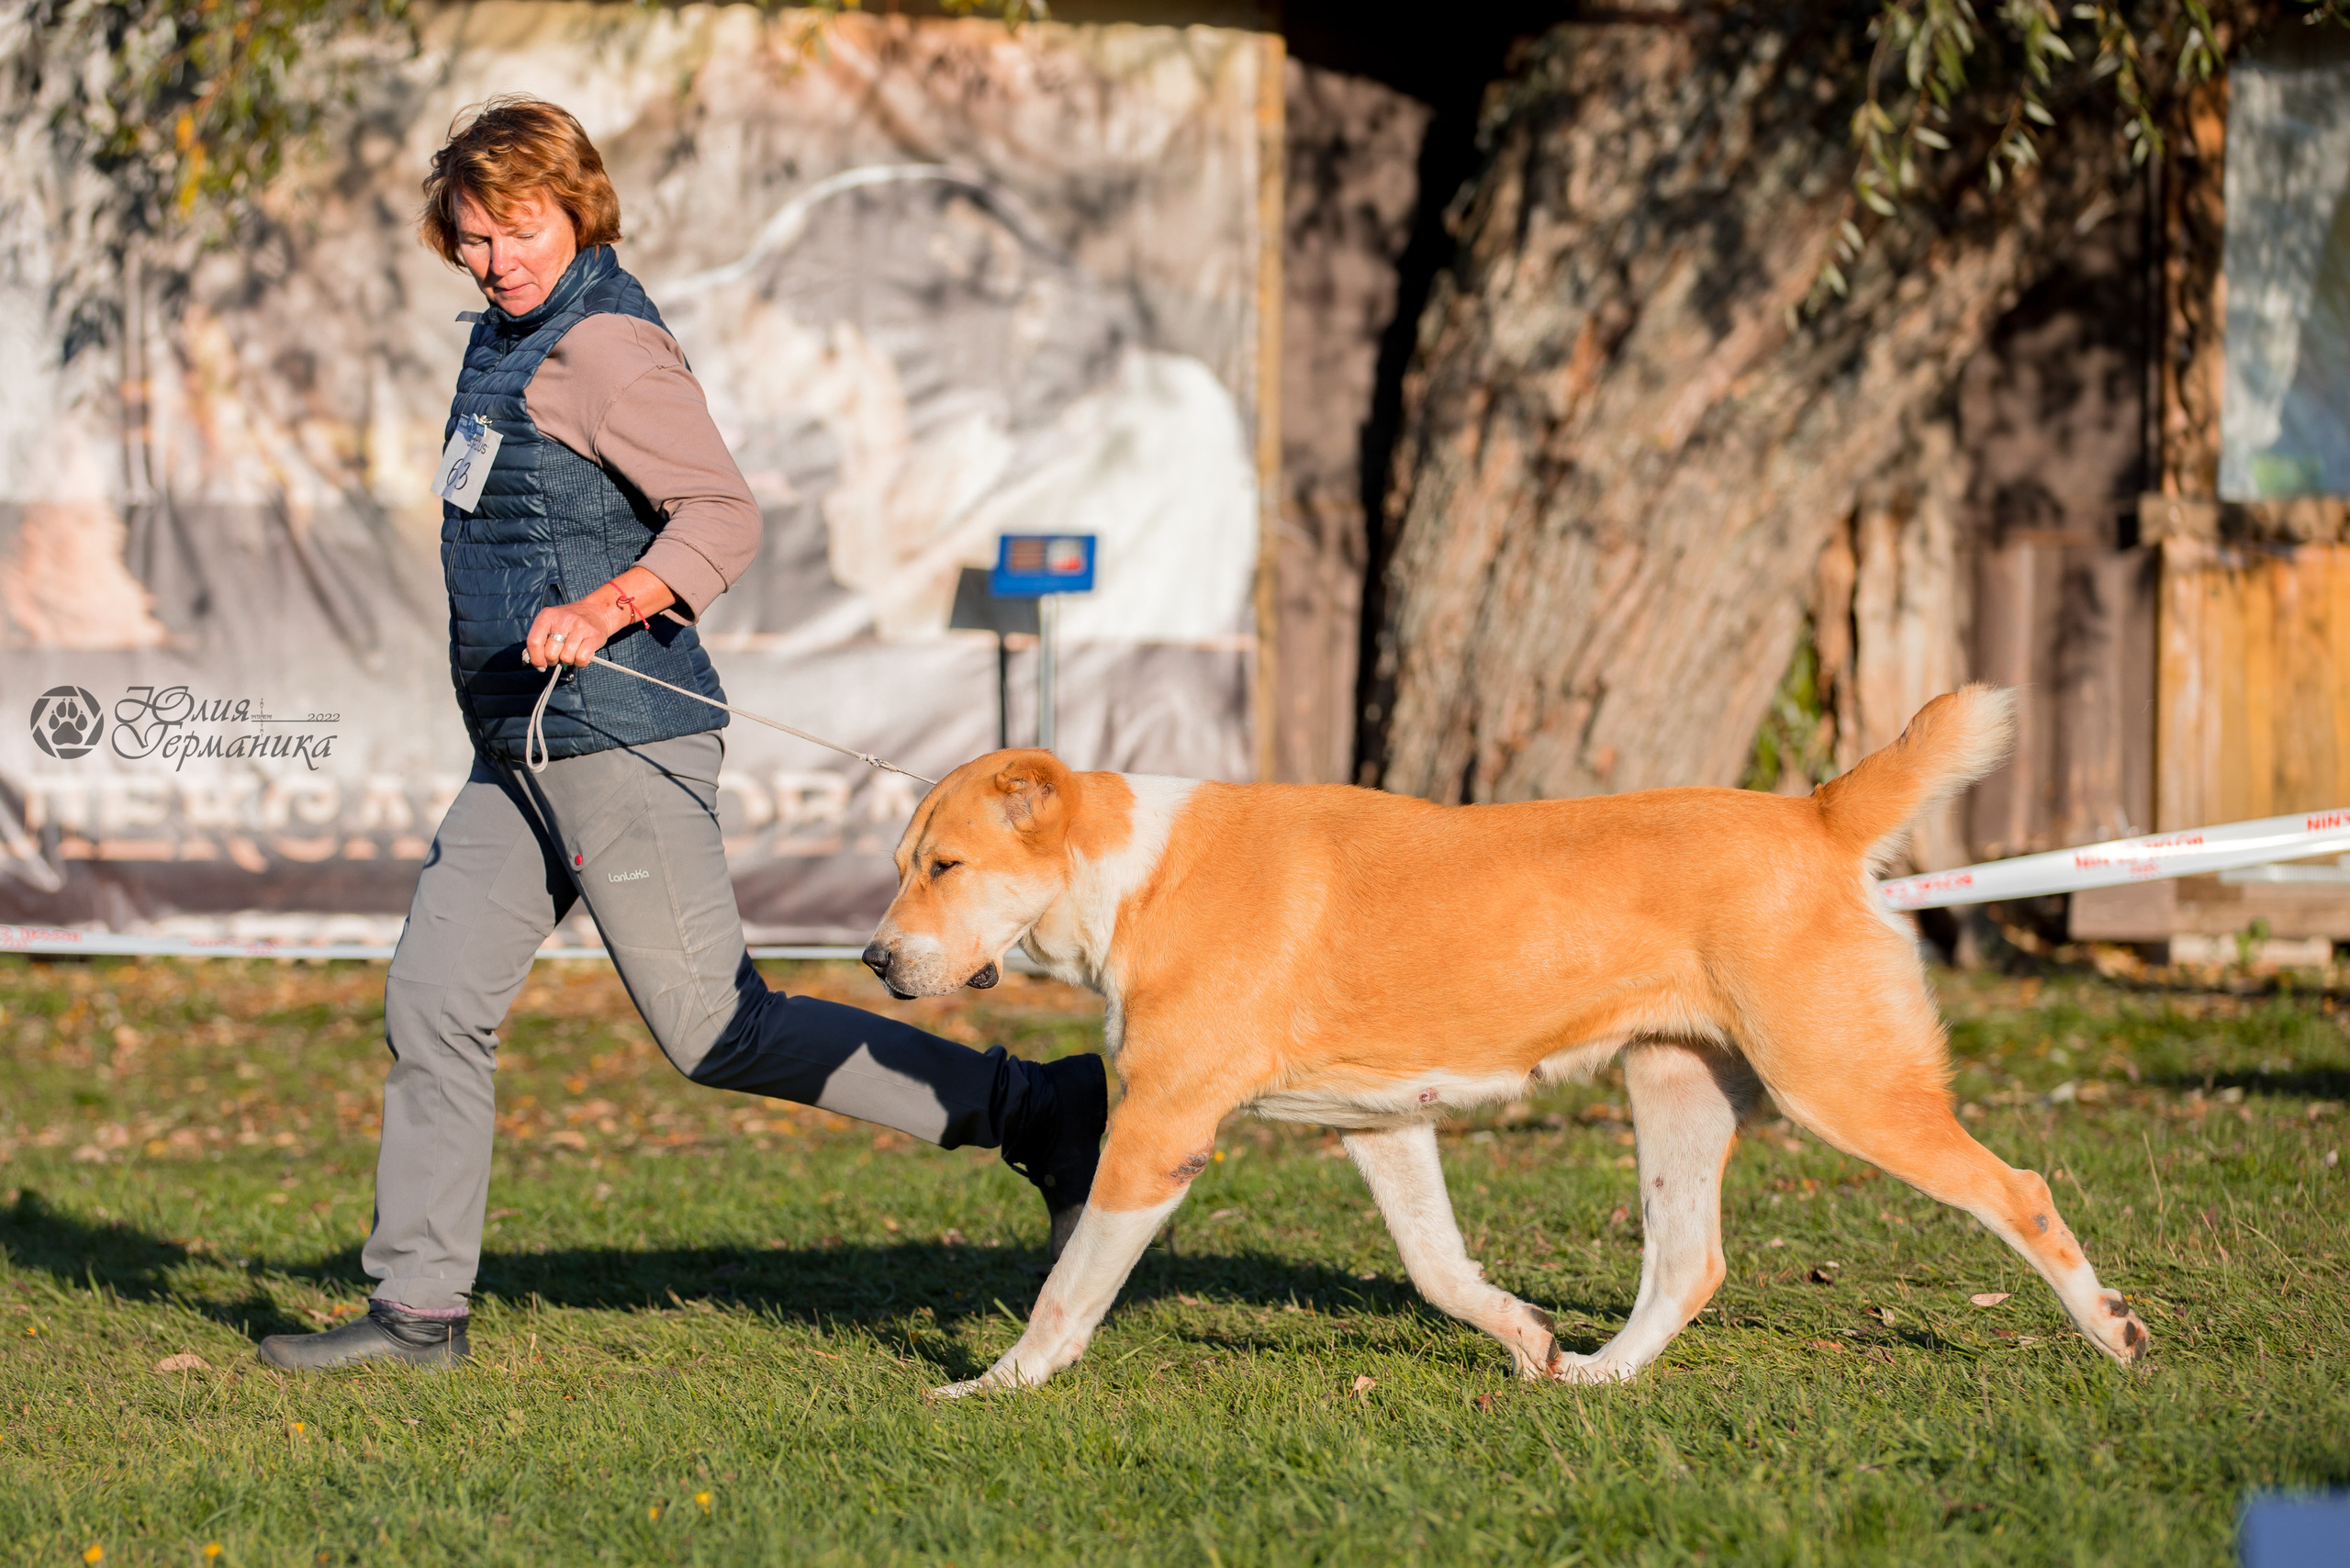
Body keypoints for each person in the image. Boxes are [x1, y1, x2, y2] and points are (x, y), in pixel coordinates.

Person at [258, 97, 1105, 1372]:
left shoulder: (607, 349)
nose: (499, 259)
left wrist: (607, 604)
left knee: (720, 1030)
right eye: (475, 239)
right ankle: (416, 1314)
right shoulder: (502, 343)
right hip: (521, 749)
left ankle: (1039, 1110)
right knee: (433, 1001)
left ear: (577, 206)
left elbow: (721, 515)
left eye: (520, 228)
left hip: (619, 736)